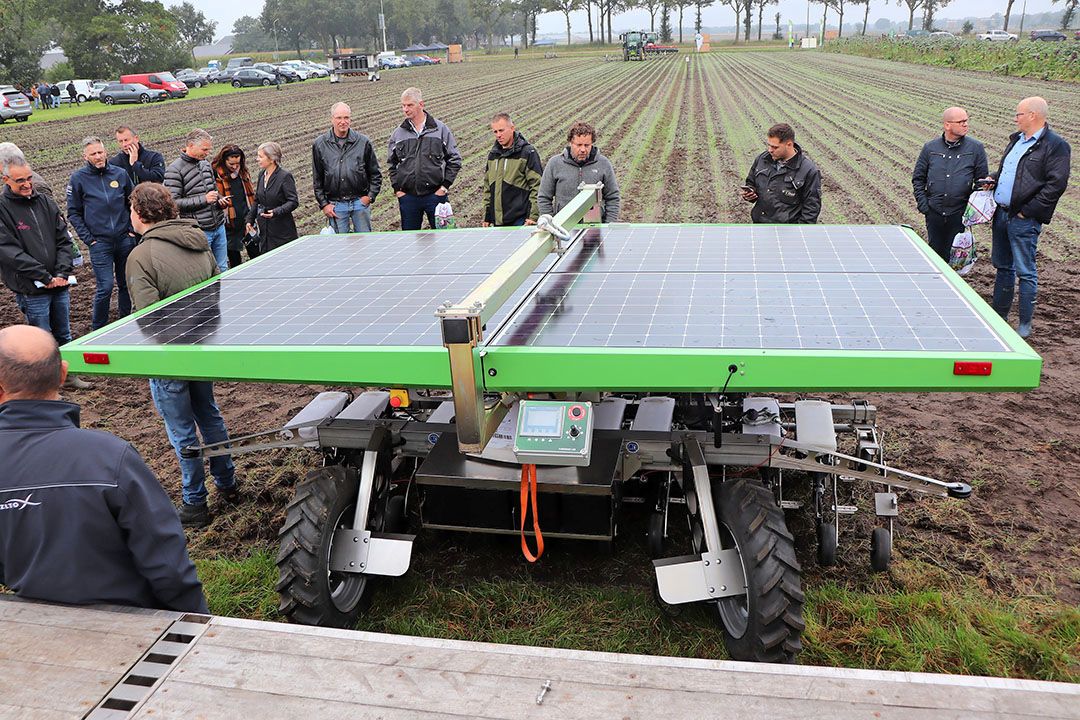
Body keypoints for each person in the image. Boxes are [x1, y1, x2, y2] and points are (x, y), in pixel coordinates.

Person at [0, 325, 208, 613]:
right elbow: (167, 564)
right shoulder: (111, 456)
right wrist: (195, 622)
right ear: (63, 373)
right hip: (127, 625)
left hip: (35, 625)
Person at [125, 183, 238, 527]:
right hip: (200, 347)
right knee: (209, 414)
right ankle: (228, 483)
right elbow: (216, 289)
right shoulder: (199, 241)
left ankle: (194, 503)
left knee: (181, 430)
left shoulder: (141, 257)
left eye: (131, 209)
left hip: (168, 355)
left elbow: (146, 318)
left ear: (141, 214)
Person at [983, 96, 1071, 338]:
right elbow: (1010, 172)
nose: (1016, 118)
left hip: (1024, 218)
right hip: (1001, 214)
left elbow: (1056, 185)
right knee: (1002, 266)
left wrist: (1027, 211)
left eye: (1019, 114)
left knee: (1025, 270)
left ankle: (1024, 325)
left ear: (1033, 115)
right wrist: (994, 179)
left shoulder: (1055, 146)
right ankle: (999, 316)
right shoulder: (1016, 141)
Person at [0, 155, 90, 389]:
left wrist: (60, 272)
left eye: (29, 178)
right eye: (20, 180)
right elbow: (9, 252)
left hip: (59, 282)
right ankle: (44, 386)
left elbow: (63, 238)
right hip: (32, 287)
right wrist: (43, 276)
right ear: (6, 179)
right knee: (41, 338)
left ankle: (69, 376)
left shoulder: (45, 202)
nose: (27, 184)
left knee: (64, 333)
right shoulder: (3, 209)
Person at [66, 136, 135, 330]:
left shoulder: (120, 174)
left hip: (124, 240)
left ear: (106, 152)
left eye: (100, 152)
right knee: (104, 287)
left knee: (125, 284)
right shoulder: (78, 179)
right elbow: (73, 212)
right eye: (93, 154)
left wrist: (131, 231)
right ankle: (98, 328)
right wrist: (89, 239)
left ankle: (126, 321)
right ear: (85, 156)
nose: (98, 156)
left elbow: (133, 203)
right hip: (100, 244)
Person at [912, 107, 989, 261]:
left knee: (954, 256)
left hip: (958, 214)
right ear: (947, 125)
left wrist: (969, 210)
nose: (965, 124)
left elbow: (981, 183)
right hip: (934, 212)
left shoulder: (975, 148)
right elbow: (918, 179)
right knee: (934, 254)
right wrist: (924, 205)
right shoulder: (930, 148)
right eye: (961, 122)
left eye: (966, 121)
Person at [388, 87, 462, 231]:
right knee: (410, 242)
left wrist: (444, 187)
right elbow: (392, 163)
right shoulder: (398, 134)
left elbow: (454, 159)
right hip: (408, 198)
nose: (405, 109)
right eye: (403, 105)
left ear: (421, 104)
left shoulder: (439, 130)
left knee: (444, 239)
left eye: (410, 105)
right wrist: (398, 190)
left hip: (435, 196)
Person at [164, 128, 228, 272]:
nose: (207, 153)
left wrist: (220, 200)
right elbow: (173, 203)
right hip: (199, 231)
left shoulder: (205, 164)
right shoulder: (174, 170)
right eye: (204, 149)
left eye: (208, 150)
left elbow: (214, 192)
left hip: (219, 226)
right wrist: (203, 199)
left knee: (223, 268)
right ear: (191, 145)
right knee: (204, 272)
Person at [312, 102, 382, 233]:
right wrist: (324, 204)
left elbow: (375, 174)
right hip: (336, 205)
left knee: (365, 243)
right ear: (332, 119)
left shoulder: (363, 142)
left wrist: (369, 197)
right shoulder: (320, 144)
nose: (343, 122)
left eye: (346, 118)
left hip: (359, 203)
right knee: (340, 248)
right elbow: (318, 178)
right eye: (339, 118)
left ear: (350, 119)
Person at [538, 121, 621, 222]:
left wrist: (608, 225)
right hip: (563, 227)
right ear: (571, 143)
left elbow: (613, 197)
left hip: (594, 227)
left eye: (587, 145)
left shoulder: (603, 164)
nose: (583, 149)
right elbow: (544, 197)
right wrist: (551, 224)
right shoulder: (555, 164)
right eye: (579, 145)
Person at [740, 123, 821, 224]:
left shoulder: (808, 171)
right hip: (759, 225)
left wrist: (800, 233)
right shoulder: (762, 159)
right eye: (768, 145)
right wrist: (750, 193)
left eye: (775, 147)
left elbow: (811, 209)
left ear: (789, 144)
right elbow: (751, 182)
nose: (770, 150)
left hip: (787, 232)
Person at [482, 112, 543, 227]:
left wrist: (533, 216)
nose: (498, 135)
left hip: (520, 220)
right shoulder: (493, 155)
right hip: (497, 222)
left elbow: (538, 185)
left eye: (501, 130)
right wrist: (487, 215)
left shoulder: (527, 152)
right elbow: (487, 187)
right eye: (495, 132)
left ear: (512, 128)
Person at [245, 142, 298, 253]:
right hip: (265, 231)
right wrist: (249, 220)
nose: (257, 159)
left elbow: (293, 201)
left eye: (260, 156)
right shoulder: (261, 175)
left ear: (271, 159)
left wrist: (276, 212)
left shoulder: (284, 176)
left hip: (282, 231)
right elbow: (257, 200)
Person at [212, 144, 258, 267]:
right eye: (231, 164)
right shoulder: (216, 175)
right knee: (234, 260)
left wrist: (251, 215)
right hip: (229, 222)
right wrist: (219, 201)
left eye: (237, 163)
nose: (234, 167)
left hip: (246, 218)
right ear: (223, 160)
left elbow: (250, 195)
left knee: (256, 253)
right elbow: (213, 196)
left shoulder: (243, 172)